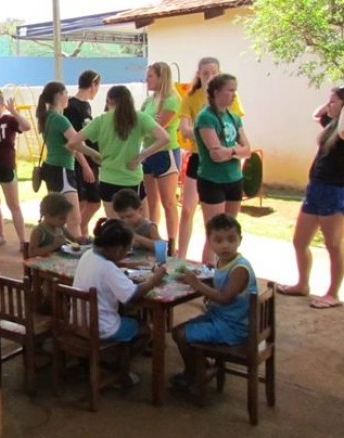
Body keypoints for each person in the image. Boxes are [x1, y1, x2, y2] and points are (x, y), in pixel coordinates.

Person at [281, 86, 344, 309]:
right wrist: (332, 104)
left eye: (334, 102)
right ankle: (302, 284)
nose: (330, 106)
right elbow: (316, 114)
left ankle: (333, 293)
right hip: (316, 189)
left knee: (334, 245)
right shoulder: (332, 124)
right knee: (300, 241)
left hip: (337, 192)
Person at [73, 218, 166, 385]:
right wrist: (155, 278)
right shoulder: (108, 269)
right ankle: (121, 370)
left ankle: (105, 360)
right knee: (145, 329)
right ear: (117, 249)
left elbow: (111, 266)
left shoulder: (88, 255)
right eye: (127, 249)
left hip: (77, 321)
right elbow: (132, 296)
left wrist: (132, 263)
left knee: (130, 318)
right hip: (100, 327)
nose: (127, 252)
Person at [171, 214, 257, 389]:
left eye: (231, 239)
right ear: (209, 242)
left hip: (234, 328)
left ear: (240, 240)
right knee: (178, 330)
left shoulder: (239, 268)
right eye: (218, 240)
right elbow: (219, 284)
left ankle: (193, 375)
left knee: (180, 334)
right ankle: (198, 368)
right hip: (221, 318)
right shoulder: (224, 261)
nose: (225, 245)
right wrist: (196, 280)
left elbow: (225, 298)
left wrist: (196, 284)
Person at [177, 57, 245, 260]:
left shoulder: (230, 99)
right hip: (199, 158)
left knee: (223, 221)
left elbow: (237, 134)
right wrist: (204, 133)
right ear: (198, 74)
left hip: (228, 165)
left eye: (213, 72)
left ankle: (215, 261)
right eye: (205, 73)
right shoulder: (191, 97)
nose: (209, 76)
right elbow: (184, 129)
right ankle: (182, 256)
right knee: (188, 209)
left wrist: (228, 148)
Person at [66, 85, 169, 219]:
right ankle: (160, 241)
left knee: (115, 228)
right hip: (132, 180)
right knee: (145, 225)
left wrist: (93, 153)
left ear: (109, 102)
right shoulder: (140, 118)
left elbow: (72, 143)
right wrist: (142, 156)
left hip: (108, 180)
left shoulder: (101, 121)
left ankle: (123, 240)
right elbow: (165, 138)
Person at [194, 74, 252, 265]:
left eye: (235, 90)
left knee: (230, 231)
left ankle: (226, 271)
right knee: (215, 232)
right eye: (230, 90)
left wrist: (232, 151)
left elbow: (247, 149)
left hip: (234, 178)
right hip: (212, 180)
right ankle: (208, 273)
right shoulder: (206, 117)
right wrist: (235, 151)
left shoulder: (233, 117)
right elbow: (216, 153)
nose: (234, 95)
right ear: (216, 92)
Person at [36, 81, 103, 238]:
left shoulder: (47, 118)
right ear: (59, 95)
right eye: (66, 93)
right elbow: (76, 143)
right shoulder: (60, 120)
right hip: (63, 170)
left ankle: (56, 245)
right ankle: (76, 252)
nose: (69, 96)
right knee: (74, 218)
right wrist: (94, 154)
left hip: (52, 168)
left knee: (55, 213)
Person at [0, 90, 31, 248]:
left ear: (2, 105)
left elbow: (27, 126)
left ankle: (23, 240)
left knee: (13, 204)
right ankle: (0, 235)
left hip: (6, 166)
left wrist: (14, 111)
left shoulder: (9, 120)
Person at [141, 62, 181, 249]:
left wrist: (147, 125)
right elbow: (141, 125)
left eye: (150, 76)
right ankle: (153, 237)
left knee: (168, 201)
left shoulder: (171, 99)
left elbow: (158, 128)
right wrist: (147, 124)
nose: (146, 80)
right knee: (151, 200)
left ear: (161, 77)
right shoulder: (148, 101)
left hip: (165, 152)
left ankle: (172, 242)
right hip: (148, 153)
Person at [64, 71, 102, 240]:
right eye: (97, 86)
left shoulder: (86, 106)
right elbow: (73, 139)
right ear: (93, 85)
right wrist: (85, 165)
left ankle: (80, 230)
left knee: (94, 202)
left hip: (91, 161)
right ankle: (75, 234)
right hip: (80, 162)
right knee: (82, 202)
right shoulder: (72, 107)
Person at [27, 193, 79, 258]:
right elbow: (32, 253)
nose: (65, 221)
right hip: (43, 265)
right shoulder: (39, 231)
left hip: (60, 263)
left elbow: (73, 240)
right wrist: (53, 246)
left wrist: (80, 240)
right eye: (61, 218)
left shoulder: (61, 228)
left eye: (66, 217)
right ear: (48, 216)